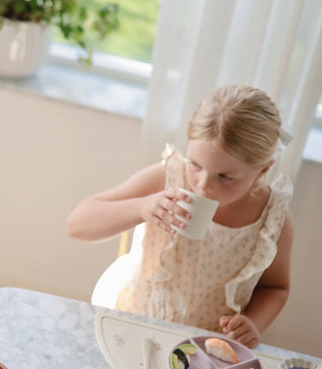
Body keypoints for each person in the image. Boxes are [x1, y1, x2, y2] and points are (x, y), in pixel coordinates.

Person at [66, 85, 294, 348]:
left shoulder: (272, 219)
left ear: (262, 171)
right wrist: (141, 208)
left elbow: (276, 288)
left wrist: (253, 322)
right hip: (138, 327)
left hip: (206, 349)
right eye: (195, 165)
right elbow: (77, 224)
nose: (203, 185)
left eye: (225, 177)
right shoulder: (169, 179)